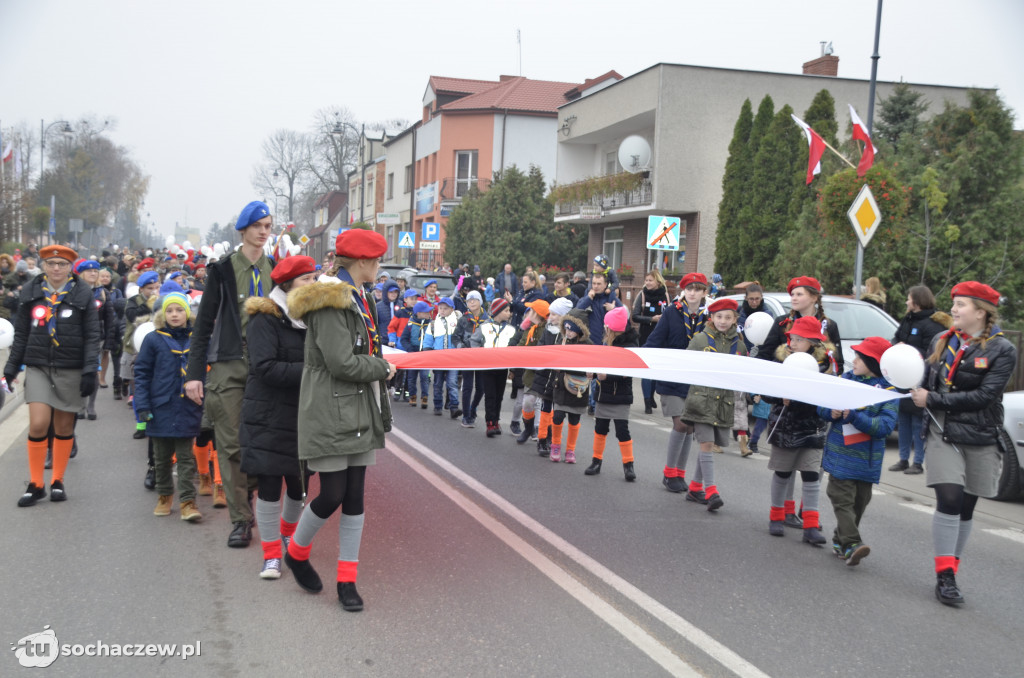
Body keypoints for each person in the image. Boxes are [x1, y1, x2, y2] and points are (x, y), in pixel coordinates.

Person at [283, 228, 396, 612]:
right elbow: (341, 362)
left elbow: (361, 350)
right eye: (377, 260)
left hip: (357, 407)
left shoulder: (358, 296)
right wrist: (382, 367)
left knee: (354, 498)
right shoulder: (334, 301)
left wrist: (381, 360)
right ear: (362, 262)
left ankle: (347, 580)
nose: (379, 266)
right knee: (331, 494)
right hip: (331, 409)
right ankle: (296, 552)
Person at [910, 281, 1016, 606]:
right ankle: (946, 577)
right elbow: (924, 380)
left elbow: (985, 396)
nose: (953, 309)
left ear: (981, 312)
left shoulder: (1003, 350)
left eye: (961, 305)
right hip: (943, 431)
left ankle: (951, 565)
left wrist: (933, 399)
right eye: (954, 303)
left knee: (967, 507)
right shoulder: (941, 340)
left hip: (981, 435)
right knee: (950, 497)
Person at [185, 200, 275, 549]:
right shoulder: (222, 269)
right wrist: (194, 374)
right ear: (243, 229)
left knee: (263, 443)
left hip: (267, 366)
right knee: (233, 444)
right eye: (258, 225)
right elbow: (204, 325)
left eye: (268, 225)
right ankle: (241, 519)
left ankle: (251, 497)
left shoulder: (276, 269)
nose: (264, 231)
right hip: (229, 365)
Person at [239, 255, 317, 580]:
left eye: (314, 279)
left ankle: (288, 534)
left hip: (305, 414)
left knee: (300, 485)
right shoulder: (264, 318)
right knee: (270, 485)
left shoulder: (315, 317)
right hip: (268, 415)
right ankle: (271, 554)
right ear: (286, 286)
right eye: (305, 281)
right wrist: (314, 372)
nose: (312, 286)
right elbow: (265, 367)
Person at [4, 245, 100, 507]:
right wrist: (11, 368)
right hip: (38, 367)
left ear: (70, 267)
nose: (56, 268)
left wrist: (91, 370)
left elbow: (92, 336)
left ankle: (57, 481)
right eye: (51, 263)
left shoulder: (83, 294)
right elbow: (21, 334)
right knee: (38, 424)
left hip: (71, 368)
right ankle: (36, 484)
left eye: (61, 263)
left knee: (64, 427)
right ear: (43, 265)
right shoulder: (31, 292)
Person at [818, 337, 899, 565]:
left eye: (860, 357)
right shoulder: (845, 380)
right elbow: (821, 405)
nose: (854, 360)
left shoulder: (889, 392)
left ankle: (839, 540)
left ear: (874, 363)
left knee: (858, 504)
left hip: (866, 461)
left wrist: (854, 416)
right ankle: (853, 542)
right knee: (841, 500)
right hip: (840, 457)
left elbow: (884, 427)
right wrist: (829, 412)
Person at [764, 315, 839, 544]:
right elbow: (766, 391)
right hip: (786, 425)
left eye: (799, 339)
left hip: (813, 426)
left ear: (814, 343)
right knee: (783, 473)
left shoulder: (826, 366)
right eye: (791, 338)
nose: (793, 343)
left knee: (811, 475)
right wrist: (780, 397)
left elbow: (830, 393)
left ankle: (810, 524)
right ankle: (776, 516)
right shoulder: (782, 361)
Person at [133, 292, 204, 522]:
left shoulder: (197, 338)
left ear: (187, 313)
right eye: (170, 311)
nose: (175, 315)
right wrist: (142, 406)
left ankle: (187, 501)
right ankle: (164, 495)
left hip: (188, 405)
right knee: (161, 457)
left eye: (179, 310)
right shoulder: (153, 339)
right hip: (160, 405)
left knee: (185, 457)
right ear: (163, 315)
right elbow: (142, 375)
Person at [680, 298, 748, 510]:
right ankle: (711, 491)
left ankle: (694, 488)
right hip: (701, 401)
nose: (723, 321)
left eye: (728, 317)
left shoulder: (740, 345)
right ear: (711, 318)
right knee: (706, 444)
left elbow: (743, 373)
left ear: (735, 319)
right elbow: (686, 364)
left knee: (707, 447)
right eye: (719, 316)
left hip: (723, 403)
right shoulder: (701, 340)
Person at [643, 272, 707, 493]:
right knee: (680, 423)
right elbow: (654, 341)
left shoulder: (708, 317)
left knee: (689, 427)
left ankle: (680, 473)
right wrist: (643, 360)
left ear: (703, 293)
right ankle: (669, 473)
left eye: (697, 289)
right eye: (689, 289)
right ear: (683, 291)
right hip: (672, 378)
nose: (692, 293)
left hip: (696, 380)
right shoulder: (672, 313)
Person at [890, 285, 950, 474]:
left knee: (917, 422)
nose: (906, 302)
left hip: (921, 379)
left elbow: (932, 353)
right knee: (903, 419)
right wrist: (896, 346)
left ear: (916, 301)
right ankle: (903, 459)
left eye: (909, 298)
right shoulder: (908, 319)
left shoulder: (933, 324)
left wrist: (908, 352)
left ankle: (918, 462)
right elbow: (896, 338)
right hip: (903, 377)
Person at [586, 306, 638, 481]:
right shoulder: (604, 344)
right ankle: (596, 461)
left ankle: (628, 465)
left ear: (612, 329)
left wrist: (607, 376)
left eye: (607, 327)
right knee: (600, 428)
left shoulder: (629, 346)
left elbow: (627, 372)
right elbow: (597, 365)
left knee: (622, 430)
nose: (604, 329)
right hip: (603, 393)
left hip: (622, 395)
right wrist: (592, 374)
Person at [546, 310, 592, 462]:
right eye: (566, 328)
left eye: (571, 329)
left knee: (574, 419)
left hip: (579, 388)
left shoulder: (588, 346)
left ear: (580, 329)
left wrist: (564, 367)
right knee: (558, 417)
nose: (568, 332)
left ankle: (570, 450)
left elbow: (584, 367)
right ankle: (555, 445)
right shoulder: (562, 340)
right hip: (561, 385)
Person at [471, 298, 519, 437]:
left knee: (499, 396)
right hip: (488, 366)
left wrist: (512, 368)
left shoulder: (510, 329)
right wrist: (479, 357)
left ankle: (496, 421)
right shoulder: (485, 326)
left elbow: (513, 349)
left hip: (502, 367)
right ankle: (489, 423)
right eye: (506, 310)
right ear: (497, 311)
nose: (509, 313)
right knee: (490, 395)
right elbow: (474, 341)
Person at [73, 259, 115, 420]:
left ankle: (90, 405)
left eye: (95, 271)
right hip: (77, 337)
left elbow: (109, 318)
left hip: (97, 338)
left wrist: (109, 341)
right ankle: (80, 404)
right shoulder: (73, 290)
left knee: (93, 370)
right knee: (78, 372)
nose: (93, 273)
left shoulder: (103, 292)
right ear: (82, 273)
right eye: (89, 271)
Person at [123, 270, 161, 438]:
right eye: (149, 288)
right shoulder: (133, 301)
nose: (153, 291)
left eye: (156, 287)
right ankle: (140, 425)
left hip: (157, 348)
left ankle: (155, 421)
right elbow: (132, 315)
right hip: (135, 348)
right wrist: (147, 304)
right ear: (141, 289)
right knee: (139, 386)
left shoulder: (162, 300)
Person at [631, 269, 669, 413]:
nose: (647, 283)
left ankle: (652, 395)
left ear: (658, 282)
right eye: (646, 280)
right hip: (646, 336)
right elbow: (634, 316)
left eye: (650, 280)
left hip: (661, 336)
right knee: (646, 369)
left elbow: (670, 313)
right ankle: (647, 401)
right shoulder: (642, 295)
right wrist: (651, 319)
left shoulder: (665, 295)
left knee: (655, 369)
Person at [513, 299, 550, 444]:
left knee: (544, 406)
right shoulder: (530, 329)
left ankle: (544, 434)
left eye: (531, 311)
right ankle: (528, 428)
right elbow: (522, 345)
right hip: (531, 374)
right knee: (528, 402)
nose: (528, 313)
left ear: (538, 314)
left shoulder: (548, 330)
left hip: (545, 374)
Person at [453, 290, 487, 427]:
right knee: (467, 386)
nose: (471, 302)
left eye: (474, 299)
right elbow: (455, 337)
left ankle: (473, 408)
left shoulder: (487, 319)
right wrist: (461, 347)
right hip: (467, 357)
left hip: (481, 357)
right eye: (469, 300)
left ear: (480, 302)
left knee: (481, 387)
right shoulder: (463, 319)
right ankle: (466, 416)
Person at [426, 296, 462, 419]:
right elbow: (428, 339)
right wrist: (427, 351)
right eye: (440, 308)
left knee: (452, 383)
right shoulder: (433, 323)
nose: (442, 310)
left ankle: (454, 407)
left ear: (452, 309)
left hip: (453, 358)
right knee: (438, 382)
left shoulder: (457, 322)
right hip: (438, 357)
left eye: (445, 308)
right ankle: (437, 405)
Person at [399, 301, 433, 409]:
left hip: (425, 353)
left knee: (424, 377)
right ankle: (412, 396)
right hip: (413, 353)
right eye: (426, 312)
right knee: (411, 377)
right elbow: (403, 339)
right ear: (418, 313)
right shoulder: (410, 324)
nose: (429, 313)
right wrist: (409, 349)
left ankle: (424, 397)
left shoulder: (431, 325)